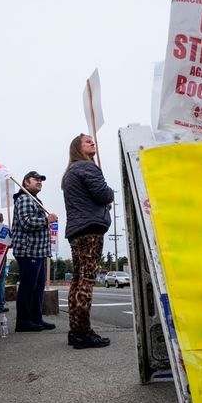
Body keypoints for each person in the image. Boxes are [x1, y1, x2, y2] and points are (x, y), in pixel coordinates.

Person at [62, 134, 114, 349]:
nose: (93, 143)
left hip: (76, 230)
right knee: (87, 280)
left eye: (93, 141)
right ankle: (83, 332)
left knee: (77, 280)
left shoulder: (70, 172)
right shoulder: (87, 167)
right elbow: (104, 194)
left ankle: (75, 330)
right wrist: (110, 192)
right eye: (87, 141)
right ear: (78, 147)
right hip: (90, 230)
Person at [11, 171, 58, 332]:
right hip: (28, 251)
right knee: (28, 287)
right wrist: (47, 220)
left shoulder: (34, 200)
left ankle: (36, 318)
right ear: (25, 183)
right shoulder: (24, 199)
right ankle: (23, 321)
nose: (39, 182)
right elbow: (26, 222)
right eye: (35, 179)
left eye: (41, 180)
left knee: (38, 287)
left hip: (38, 252)